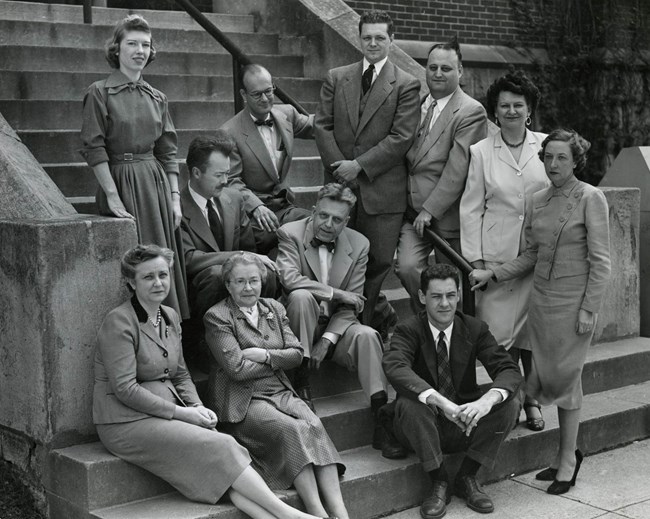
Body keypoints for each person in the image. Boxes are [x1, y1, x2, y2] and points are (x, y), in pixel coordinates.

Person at [93, 244, 331, 519]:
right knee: (224, 446)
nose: (158, 283)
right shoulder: (119, 322)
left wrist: (198, 406)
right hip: (125, 421)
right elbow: (125, 389)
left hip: (172, 410)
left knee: (225, 456)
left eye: (163, 275)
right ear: (131, 283)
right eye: (148, 277)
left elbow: (181, 373)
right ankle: (293, 516)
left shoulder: (169, 315)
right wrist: (185, 413)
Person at [471, 129, 611, 495]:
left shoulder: (590, 197)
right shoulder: (537, 199)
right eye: (548, 156)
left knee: (567, 381)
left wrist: (588, 309)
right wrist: (494, 273)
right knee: (555, 380)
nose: (553, 164)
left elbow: (601, 263)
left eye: (562, 157)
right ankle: (564, 455)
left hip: (573, 306)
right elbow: (532, 254)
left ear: (577, 160)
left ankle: (568, 461)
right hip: (542, 304)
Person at [203, 253, 349, 519]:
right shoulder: (218, 316)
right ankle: (318, 514)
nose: (248, 288)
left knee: (313, 424)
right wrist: (278, 359)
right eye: (240, 281)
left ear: (262, 282)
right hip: (243, 401)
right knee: (292, 429)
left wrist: (266, 355)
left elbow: (296, 354)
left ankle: (342, 513)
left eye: (253, 281)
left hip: (279, 391)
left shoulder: (274, 308)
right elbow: (236, 369)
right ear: (228, 285)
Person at [383, 264, 522, 517]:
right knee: (409, 403)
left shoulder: (474, 328)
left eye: (450, 295)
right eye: (436, 296)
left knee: (510, 401)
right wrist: (440, 402)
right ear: (422, 297)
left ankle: (467, 476)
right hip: (424, 426)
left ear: (458, 295)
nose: (445, 304)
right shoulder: (408, 329)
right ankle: (439, 481)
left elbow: (509, 370)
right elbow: (395, 368)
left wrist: (485, 402)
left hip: (464, 422)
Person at [314, 10, 421, 336]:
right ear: (359, 38)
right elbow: (322, 125)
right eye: (367, 37)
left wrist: (358, 166)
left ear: (391, 40)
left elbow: (401, 138)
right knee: (333, 261)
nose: (373, 43)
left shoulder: (406, 83)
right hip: (340, 188)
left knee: (374, 267)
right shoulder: (337, 76)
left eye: (380, 37)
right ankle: (337, 325)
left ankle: (363, 332)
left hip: (381, 193)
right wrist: (340, 169)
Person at [276, 183, 402, 458]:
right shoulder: (290, 233)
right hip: (299, 327)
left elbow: (351, 305)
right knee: (300, 296)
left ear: (346, 221)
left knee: (368, 335)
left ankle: (381, 419)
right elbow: (288, 279)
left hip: (336, 327)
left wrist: (328, 339)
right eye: (323, 216)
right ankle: (301, 381)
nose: (328, 224)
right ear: (313, 212)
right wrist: (335, 292)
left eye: (337, 219)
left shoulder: (359, 244)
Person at [80, 14, 188, 318]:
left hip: (155, 185)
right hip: (120, 181)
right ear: (117, 49)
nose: (139, 50)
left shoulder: (158, 97)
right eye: (132, 43)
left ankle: (168, 332)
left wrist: (176, 199)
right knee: (133, 261)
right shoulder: (99, 92)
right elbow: (93, 146)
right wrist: (113, 196)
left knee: (159, 263)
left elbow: (168, 151)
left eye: (145, 44)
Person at [459, 71, 550, 431]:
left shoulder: (546, 145)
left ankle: (532, 398)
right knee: (499, 337)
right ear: (494, 112)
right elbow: (471, 207)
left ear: (529, 110)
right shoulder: (481, 151)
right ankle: (508, 400)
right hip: (495, 259)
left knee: (533, 335)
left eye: (518, 105)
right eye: (504, 106)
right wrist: (477, 260)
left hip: (538, 256)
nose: (511, 111)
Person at [394, 38, 487, 313]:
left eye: (446, 68)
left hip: (445, 216)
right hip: (411, 213)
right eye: (432, 67)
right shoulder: (418, 104)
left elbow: (457, 169)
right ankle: (430, 325)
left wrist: (430, 210)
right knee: (408, 268)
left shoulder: (471, 111)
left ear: (460, 72)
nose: (437, 73)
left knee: (452, 282)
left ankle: (452, 338)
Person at [180, 133, 279, 319]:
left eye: (227, 173)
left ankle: (259, 330)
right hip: (199, 290)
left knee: (267, 272)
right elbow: (188, 259)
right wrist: (238, 257)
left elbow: (247, 247)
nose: (225, 181)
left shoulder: (234, 198)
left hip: (237, 277)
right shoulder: (177, 208)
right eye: (218, 175)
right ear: (196, 173)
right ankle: (206, 341)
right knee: (216, 275)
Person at [220, 64, 314, 254]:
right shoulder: (229, 132)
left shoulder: (287, 114)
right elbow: (231, 180)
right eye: (256, 94)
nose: (265, 99)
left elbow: (318, 126)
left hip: (285, 206)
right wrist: (256, 207)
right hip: (253, 214)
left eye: (268, 91)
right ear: (243, 95)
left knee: (316, 226)